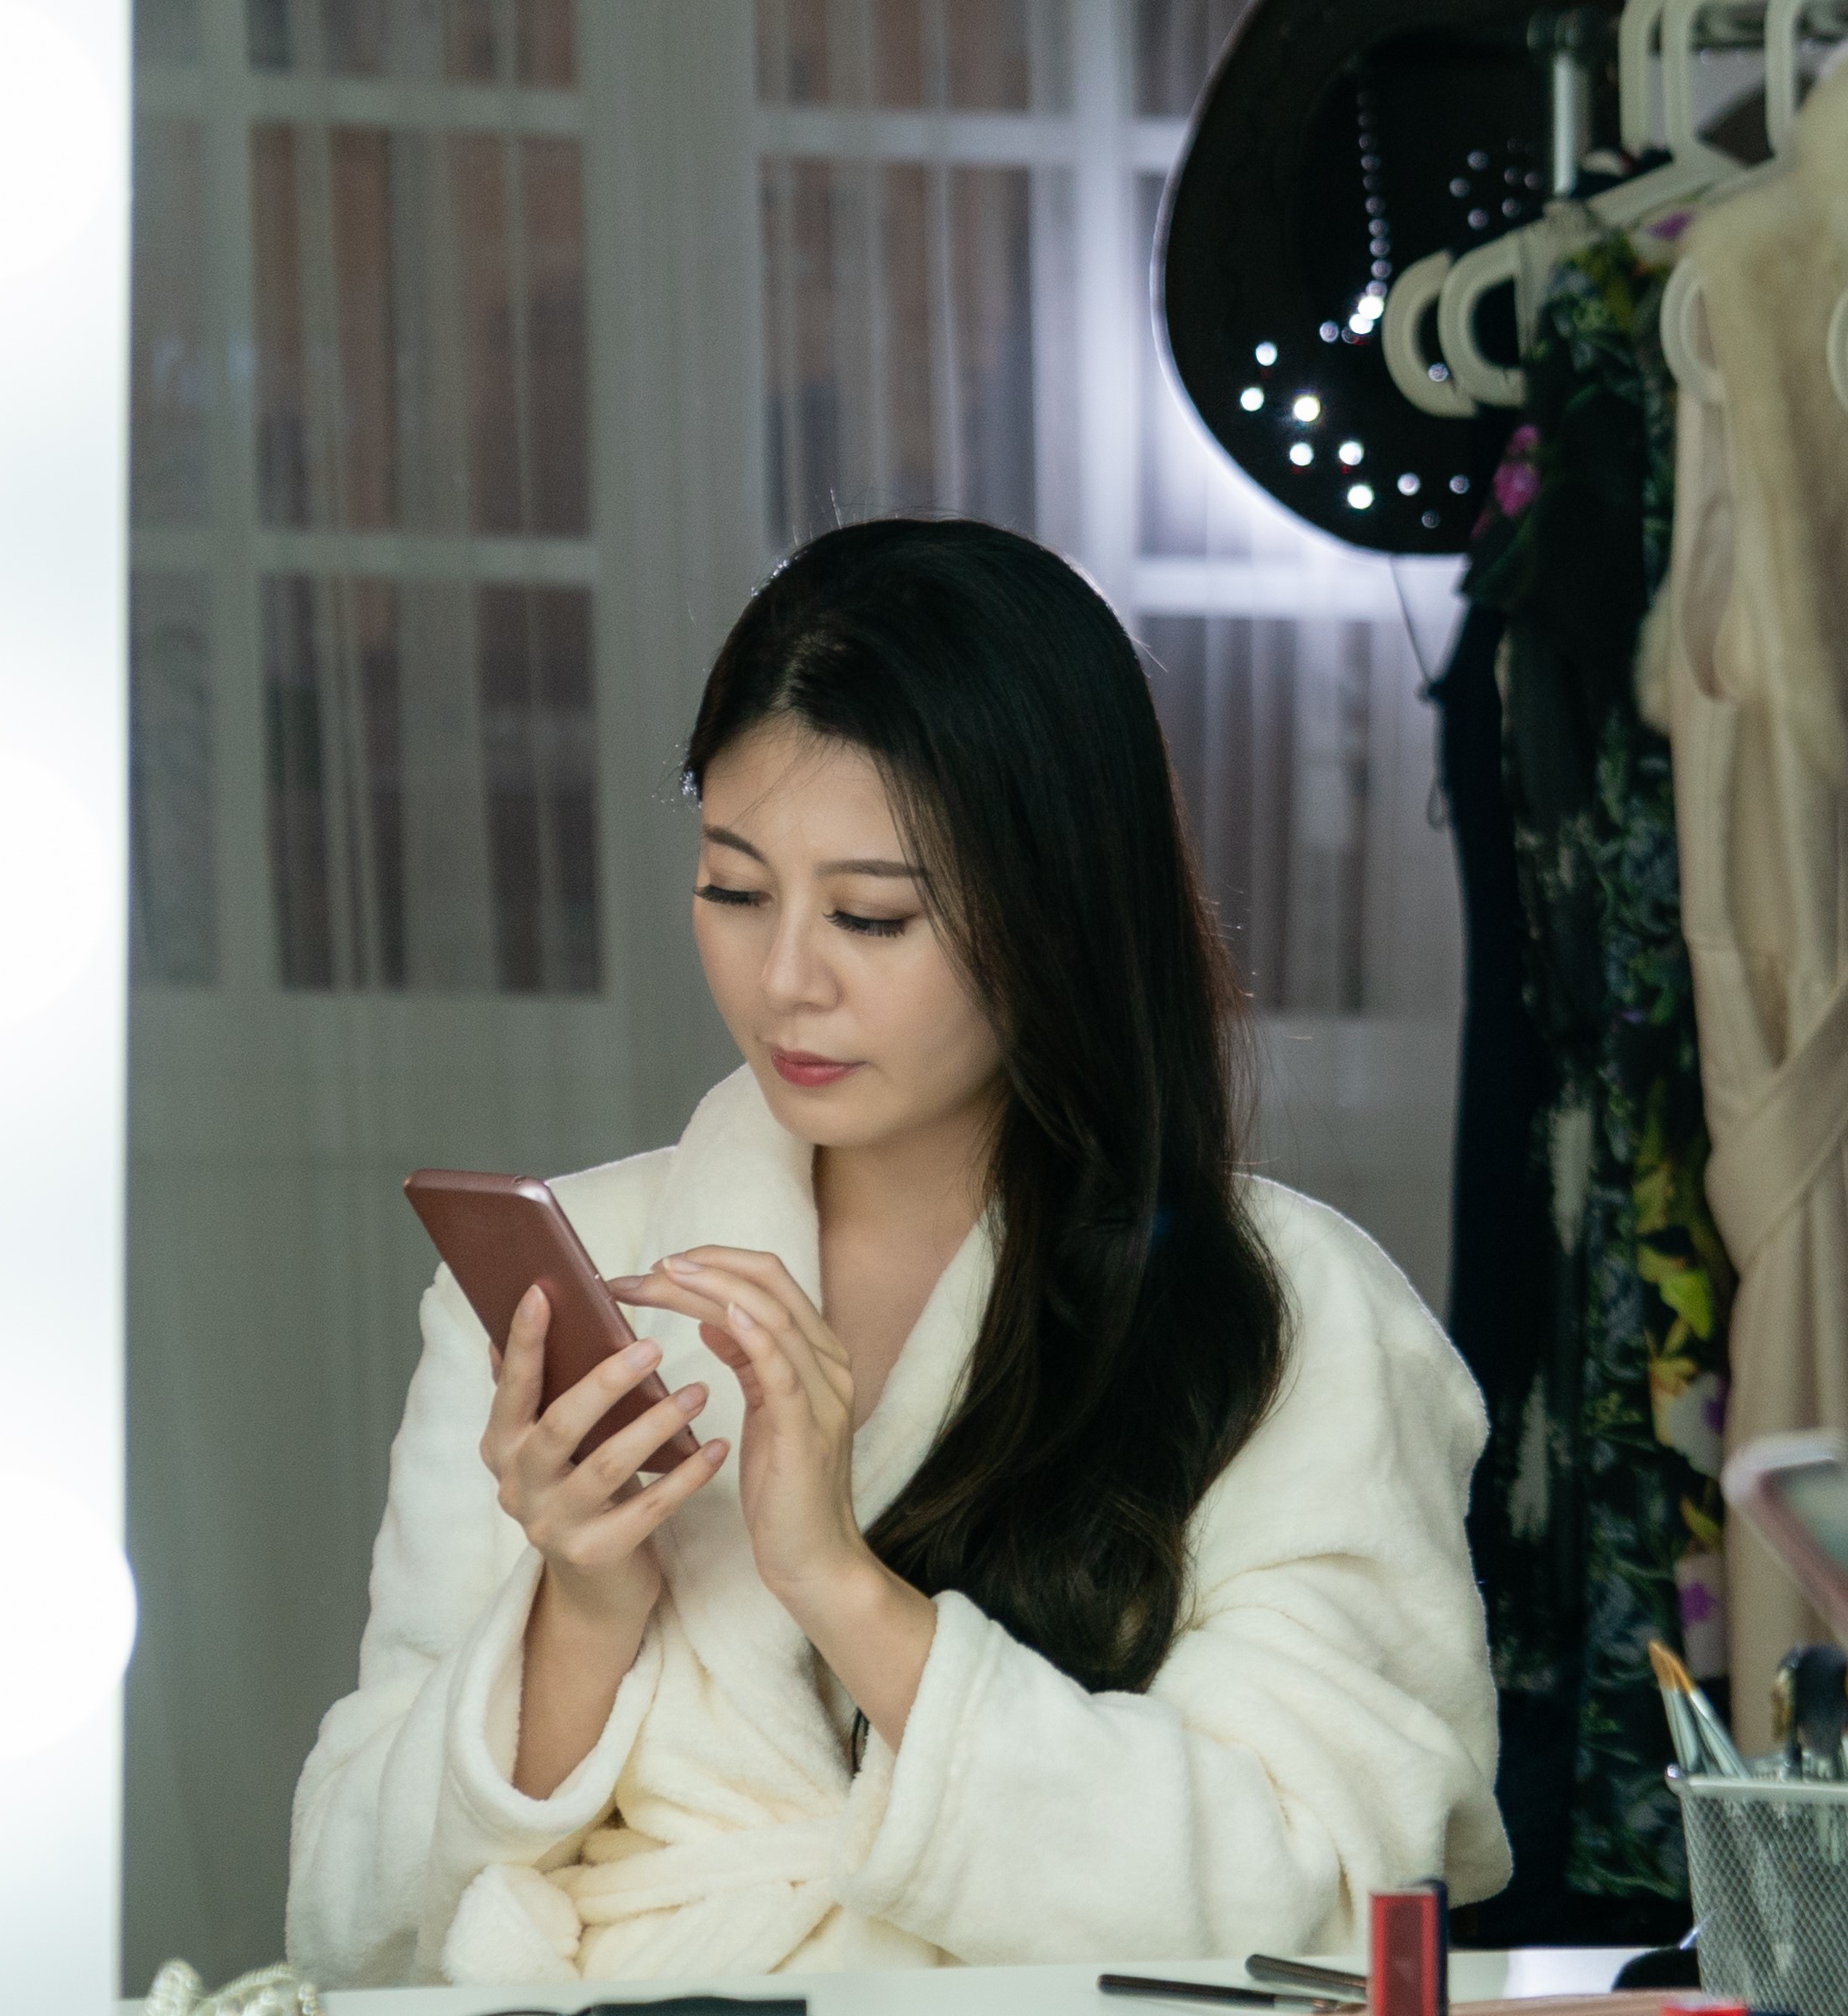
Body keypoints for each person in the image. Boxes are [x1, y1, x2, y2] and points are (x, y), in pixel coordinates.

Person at [289, 517, 1510, 1988]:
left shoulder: (1289, 1313)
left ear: (1056, 908)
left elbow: (1329, 1898)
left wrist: (836, 1581)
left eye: (872, 914)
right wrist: (584, 1605)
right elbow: (345, 1906)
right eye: (735, 890)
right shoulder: (570, 1285)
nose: (785, 978)